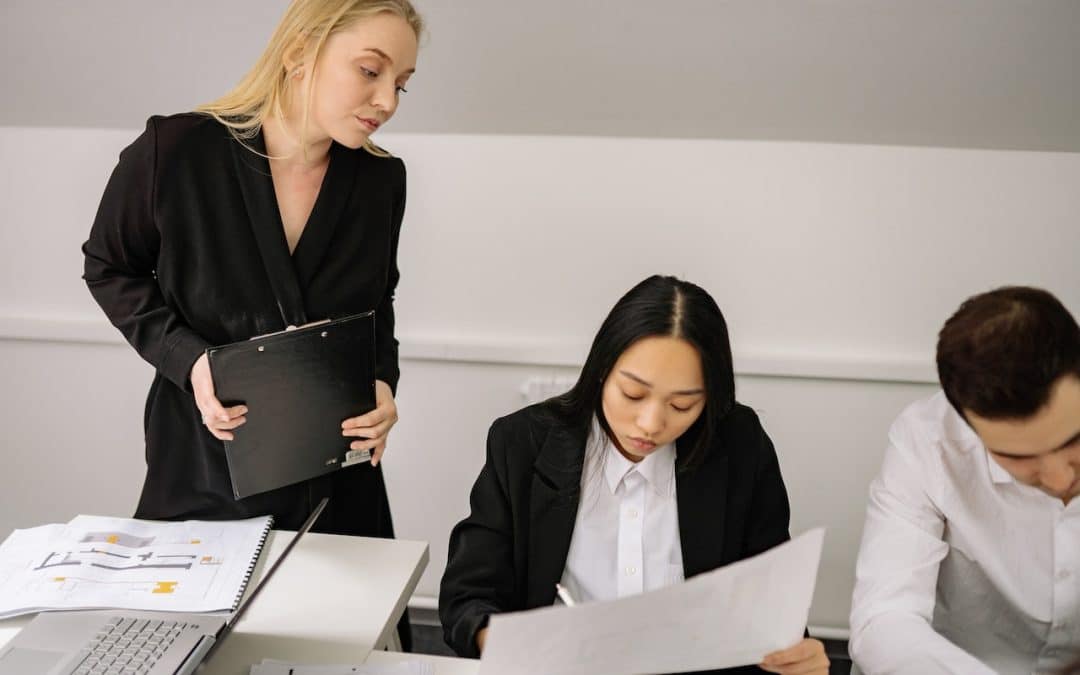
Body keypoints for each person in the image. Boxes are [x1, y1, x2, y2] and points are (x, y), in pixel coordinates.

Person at [82, 1, 422, 643]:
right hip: (204, 466)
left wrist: (384, 385)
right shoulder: (174, 151)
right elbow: (109, 267)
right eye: (370, 71)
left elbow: (382, 306)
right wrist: (190, 360)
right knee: (181, 646)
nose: (388, 101)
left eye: (401, 83)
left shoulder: (382, 180)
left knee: (345, 651)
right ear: (300, 53)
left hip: (337, 477)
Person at [439, 275, 829, 675]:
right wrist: (512, 649)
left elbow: (769, 600)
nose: (650, 424)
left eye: (681, 406)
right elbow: (467, 597)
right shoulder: (523, 443)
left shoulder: (740, 446)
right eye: (633, 395)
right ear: (602, 369)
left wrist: (794, 655)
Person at [849, 286, 1080, 674]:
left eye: (1074, 439)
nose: (1060, 480)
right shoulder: (926, 441)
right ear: (966, 424)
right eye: (1018, 457)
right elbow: (884, 620)